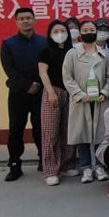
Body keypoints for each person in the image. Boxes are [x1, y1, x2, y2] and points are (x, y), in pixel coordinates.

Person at [61, 19, 109, 183]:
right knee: (82, 133)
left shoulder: (105, 54)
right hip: (81, 100)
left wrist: (105, 92)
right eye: (85, 30)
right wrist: (79, 94)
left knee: (99, 133)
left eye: (92, 30)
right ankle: (86, 167)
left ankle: (99, 166)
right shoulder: (72, 54)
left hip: (100, 99)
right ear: (80, 33)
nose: (89, 32)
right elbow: (67, 77)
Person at [0, 7, 46, 181]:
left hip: (40, 92)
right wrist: (27, 85)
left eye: (28, 18)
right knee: (16, 129)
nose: (26, 21)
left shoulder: (43, 42)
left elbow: (48, 66)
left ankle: (44, 160)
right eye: (22, 18)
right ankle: (14, 165)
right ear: (16, 22)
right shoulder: (8, 43)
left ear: (34, 20)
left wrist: (38, 85)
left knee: (41, 128)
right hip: (18, 93)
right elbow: (9, 69)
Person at [38, 19, 73, 185]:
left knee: (68, 131)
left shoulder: (71, 51)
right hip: (53, 91)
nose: (60, 34)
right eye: (56, 31)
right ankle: (50, 170)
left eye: (63, 31)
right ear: (50, 34)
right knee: (50, 132)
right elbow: (43, 73)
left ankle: (66, 164)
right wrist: (50, 91)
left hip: (70, 92)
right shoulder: (45, 51)